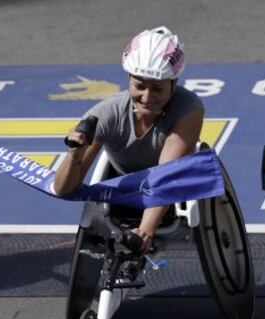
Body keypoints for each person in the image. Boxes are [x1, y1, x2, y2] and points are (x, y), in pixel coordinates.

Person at [54, 26, 204, 254]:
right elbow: (64, 189)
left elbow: (165, 175)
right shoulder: (106, 114)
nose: (147, 97)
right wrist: (74, 155)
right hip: (123, 186)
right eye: (139, 86)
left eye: (157, 89)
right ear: (129, 79)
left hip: (170, 186)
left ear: (174, 83)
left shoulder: (188, 108)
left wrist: (145, 231)